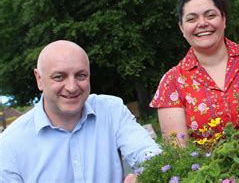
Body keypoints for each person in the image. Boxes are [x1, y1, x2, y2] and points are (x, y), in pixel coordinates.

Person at [0, 40, 161, 183]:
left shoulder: (111, 111)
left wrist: (146, 176)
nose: (72, 87)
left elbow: (150, 156)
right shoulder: (10, 144)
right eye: (59, 77)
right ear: (39, 79)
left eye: (81, 75)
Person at [150, 0, 239, 146]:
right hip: (211, 170)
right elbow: (179, 154)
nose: (202, 23)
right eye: (191, 19)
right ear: (181, 28)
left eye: (210, 16)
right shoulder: (172, 83)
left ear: (224, 20)